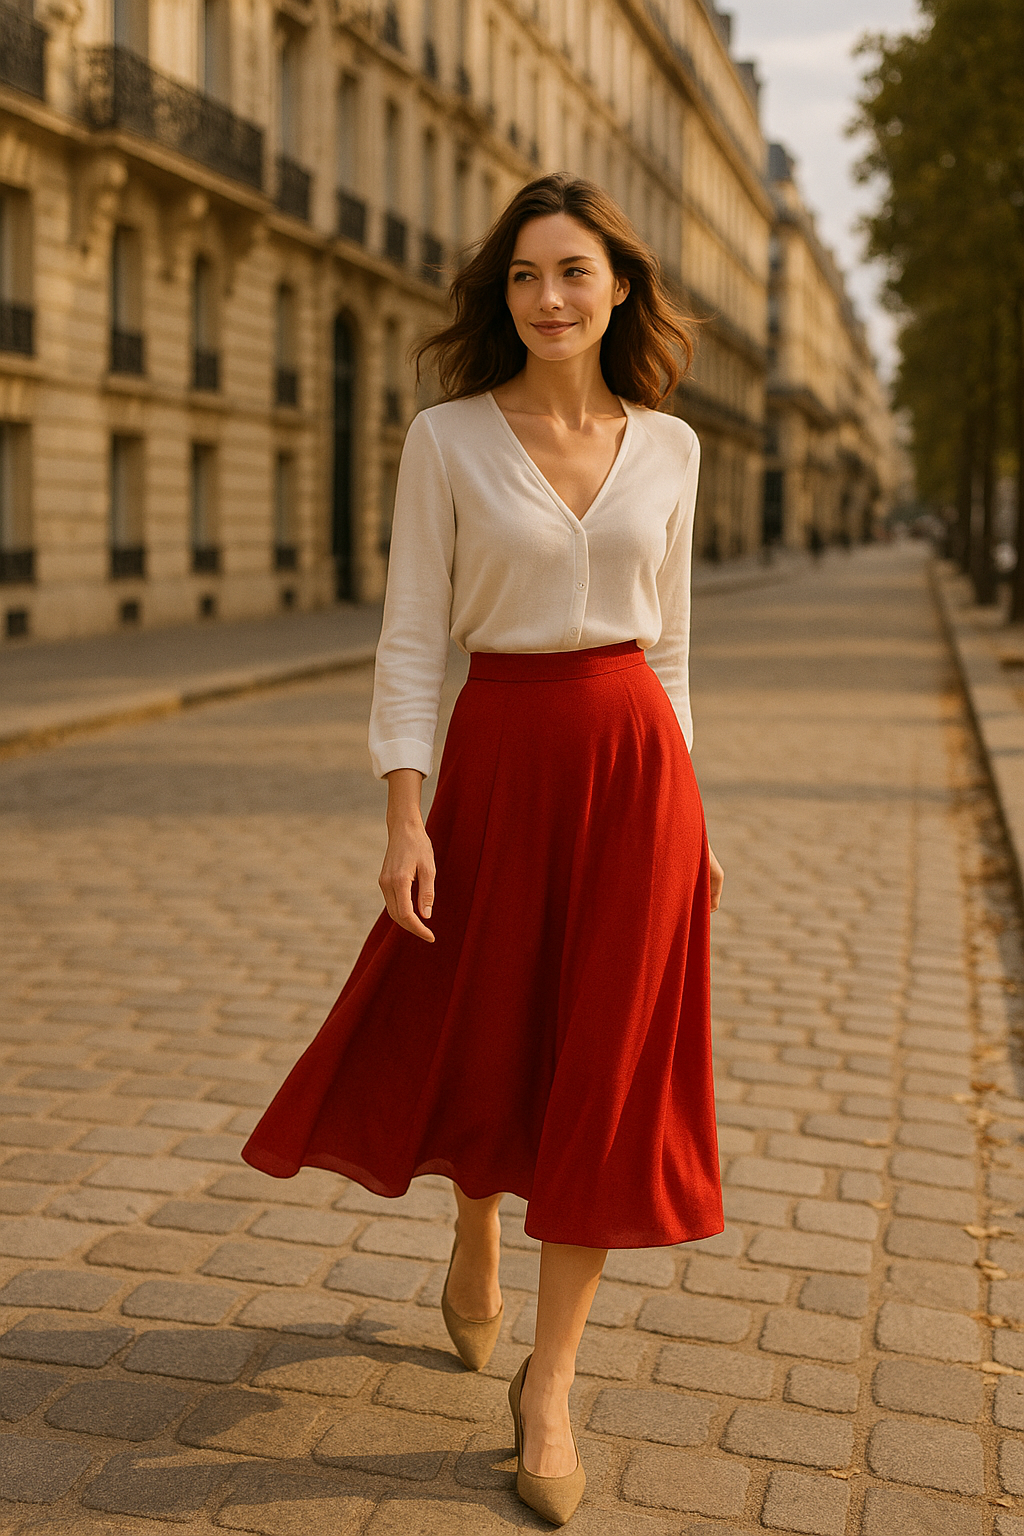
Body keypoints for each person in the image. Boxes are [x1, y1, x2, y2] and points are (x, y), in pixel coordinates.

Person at [242, 171, 725, 1527]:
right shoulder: (447, 438)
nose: (549, 298)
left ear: (618, 284)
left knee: (608, 1070)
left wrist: (700, 820)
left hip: (637, 772)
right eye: (523, 276)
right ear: (500, 295)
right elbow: (409, 637)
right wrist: (405, 812)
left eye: (573, 272)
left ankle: (550, 1386)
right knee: (490, 1021)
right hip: (501, 756)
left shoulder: (673, 450)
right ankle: (475, 1214)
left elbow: (675, 650)